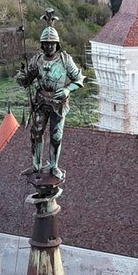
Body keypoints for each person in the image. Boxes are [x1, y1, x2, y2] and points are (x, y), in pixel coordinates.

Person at [16, 21, 83, 180]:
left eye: (51, 43)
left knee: (56, 135)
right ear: (42, 44)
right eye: (46, 44)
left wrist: (67, 89)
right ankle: (36, 165)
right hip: (40, 102)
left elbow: (78, 79)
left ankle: (54, 166)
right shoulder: (37, 60)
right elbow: (27, 80)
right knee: (36, 133)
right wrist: (22, 75)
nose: (49, 47)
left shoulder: (65, 60)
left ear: (56, 44)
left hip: (59, 103)